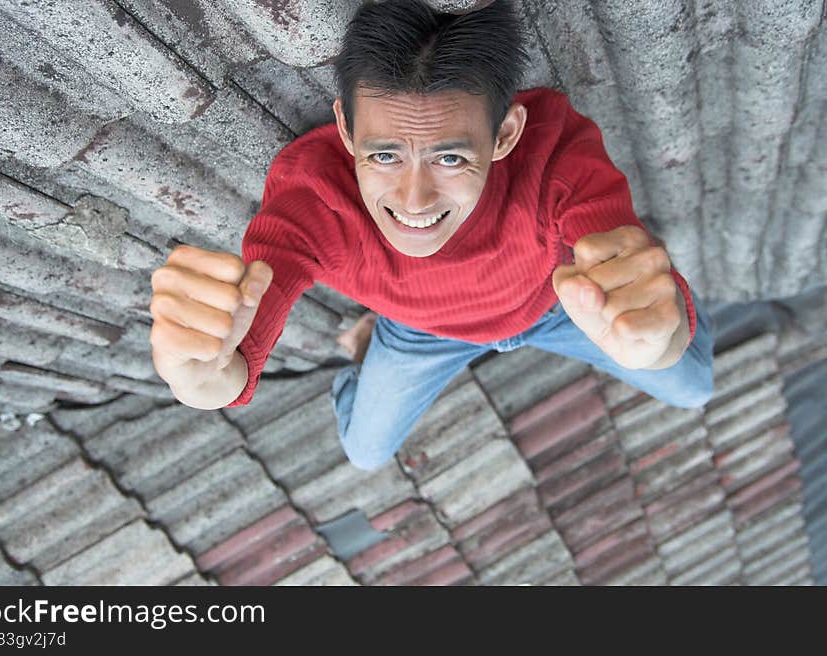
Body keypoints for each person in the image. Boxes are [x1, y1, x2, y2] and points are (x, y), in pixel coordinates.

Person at [149, 0, 714, 471]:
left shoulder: (555, 150)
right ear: (345, 128)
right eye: (385, 155)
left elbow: (612, 241)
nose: (413, 201)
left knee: (692, 385)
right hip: (419, 332)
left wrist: (654, 331)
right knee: (365, 453)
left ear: (505, 133)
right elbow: (239, 352)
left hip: (559, 306)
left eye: (448, 157)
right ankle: (368, 352)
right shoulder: (311, 193)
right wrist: (198, 376)